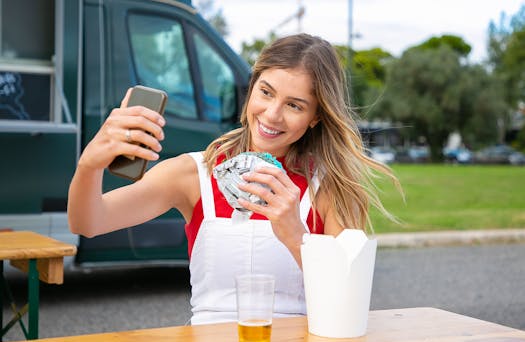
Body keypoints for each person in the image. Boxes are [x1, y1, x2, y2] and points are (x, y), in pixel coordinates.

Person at [68, 33, 399, 325]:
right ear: (251, 87)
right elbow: (89, 222)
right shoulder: (192, 173)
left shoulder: (331, 188)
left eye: (295, 105)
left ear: (316, 118)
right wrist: (89, 165)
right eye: (266, 92)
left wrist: (296, 235)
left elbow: (347, 305)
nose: (272, 114)